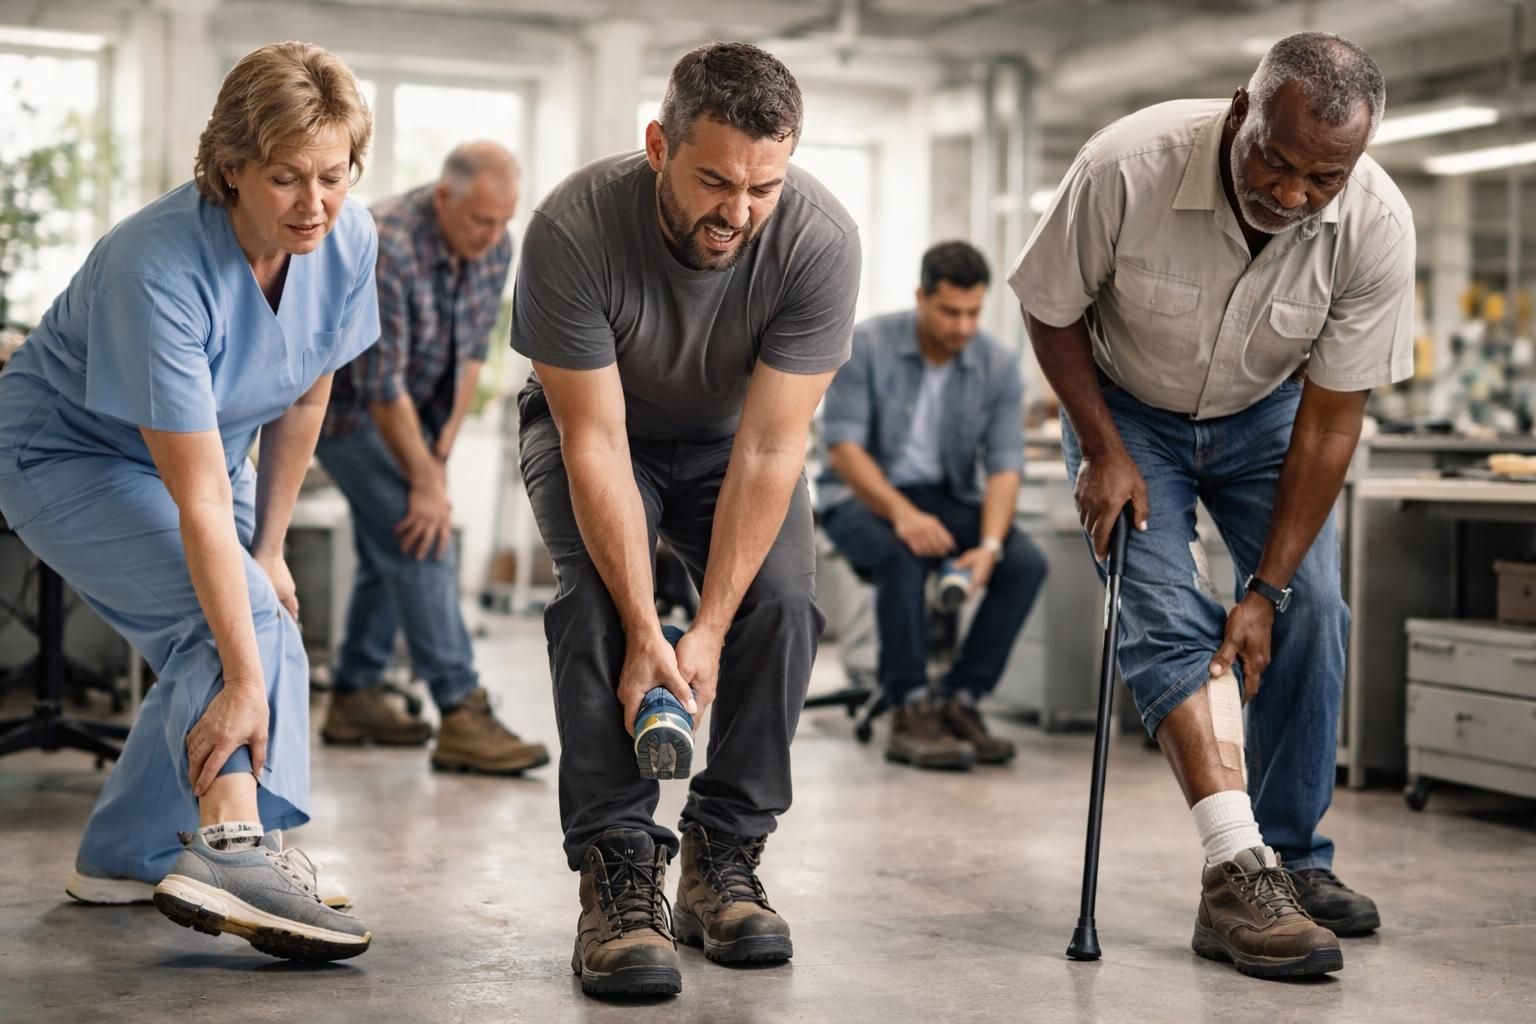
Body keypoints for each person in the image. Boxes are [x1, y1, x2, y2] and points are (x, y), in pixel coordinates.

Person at [1011, 32, 1410, 978]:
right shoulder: (1126, 165)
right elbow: (1050, 305)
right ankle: (1236, 866)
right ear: (1242, 111)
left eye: (1324, 177)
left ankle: (1295, 863)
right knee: (1162, 607)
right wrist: (1102, 449)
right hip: (1127, 412)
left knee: (1314, 607)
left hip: (1269, 418)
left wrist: (1266, 589)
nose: (1293, 194)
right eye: (1276, 158)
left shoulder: (1377, 225)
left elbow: (1328, 423)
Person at [0, 41, 380, 962]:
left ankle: (129, 853)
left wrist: (276, 545)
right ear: (230, 169)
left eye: (333, 175)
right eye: (287, 178)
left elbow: (307, 392)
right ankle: (234, 842)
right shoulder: (156, 263)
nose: (315, 203)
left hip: (215, 453)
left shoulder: (347, 238)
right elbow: (202, 502)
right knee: (233, 626)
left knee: (264, 603)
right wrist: (246, 680)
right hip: (69, 452)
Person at [511, 42, 860, 998]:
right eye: (714, 181)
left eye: (763, 187)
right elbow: (594, 440)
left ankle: (723, 854)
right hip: (596, 425)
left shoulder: (819, 241)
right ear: (659, 144)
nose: (738, 213)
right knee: (590, 600)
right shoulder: (574, 226)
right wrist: (642, 629)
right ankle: (619, 872)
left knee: (782, 601)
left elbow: (769, 449)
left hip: (730, 441)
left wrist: (702, 629)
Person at [315, 141, 549, 776]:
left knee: (394, 539)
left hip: (413, 415)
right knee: (425, 538)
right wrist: (423, 481)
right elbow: (379, 384)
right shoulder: (388, 243)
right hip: (343, 414)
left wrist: (439, 456)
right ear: (444, 197)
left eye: (504, 221)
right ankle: (460, 710)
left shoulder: (494, 244)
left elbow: (474, 353)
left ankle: (356, 695)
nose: (493, 235)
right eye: (480, 220)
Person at [817, 241, 1047, 770]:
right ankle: (909, 705)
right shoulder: (867, 346)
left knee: (1025, 562)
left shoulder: (996, 364)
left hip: (943, 498)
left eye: (973, 312)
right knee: (903, 551)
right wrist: (903, 515)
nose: (963, 326)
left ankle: (959, 698)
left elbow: (1005, 465)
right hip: (859, 499)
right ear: (921, 297)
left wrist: (989, 547)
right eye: (949, 311)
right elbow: (844, 451)